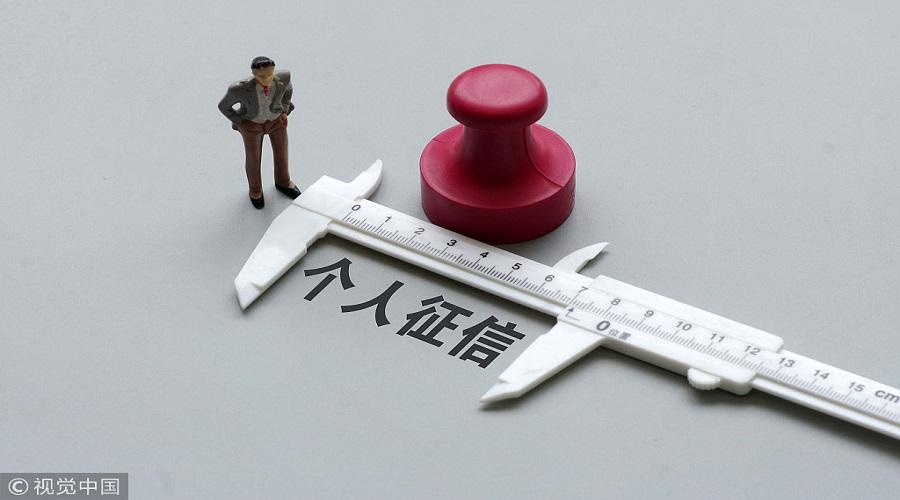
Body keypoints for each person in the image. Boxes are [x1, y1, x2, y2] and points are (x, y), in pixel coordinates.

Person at [218, 56, 301, 208]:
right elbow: (224, 106)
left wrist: (284, 110)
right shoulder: (239, 89)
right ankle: (255, 189)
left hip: (276, 120)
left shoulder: (283, 78)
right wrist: (241, 123)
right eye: (262, 76)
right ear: (254, 74)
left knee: (282, 152)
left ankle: (283, 181)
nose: (267, 78)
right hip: (252, 124)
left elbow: (288, 90)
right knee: (253, 158)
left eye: (270, 74)